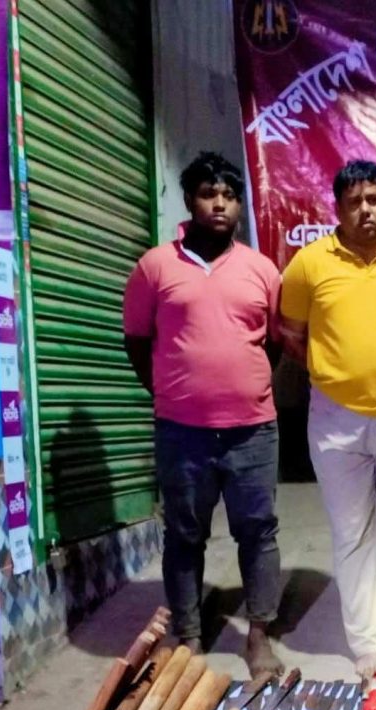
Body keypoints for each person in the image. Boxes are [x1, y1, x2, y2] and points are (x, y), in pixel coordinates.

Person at [123, 151, 285, 675]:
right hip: (182, 432)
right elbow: (137, 340)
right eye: (208, 194)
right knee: (184, 534)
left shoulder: (261, 270)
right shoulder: (155, 266)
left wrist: (239, 385)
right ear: (190, 201)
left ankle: (258, 635)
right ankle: (189, 635)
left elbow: (274, 343)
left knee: (257, 531)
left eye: (230, 196)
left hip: (252, 431)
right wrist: (173, 392)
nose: (220, 204)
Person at [280, 159, 376, 678]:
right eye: (354, 202)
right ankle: (367, 644)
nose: (365, 210)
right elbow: (291, 333)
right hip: (334, 421)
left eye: (373, 200)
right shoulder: (308, 264)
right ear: (338, 209)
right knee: (352, 532)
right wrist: (332, 374)